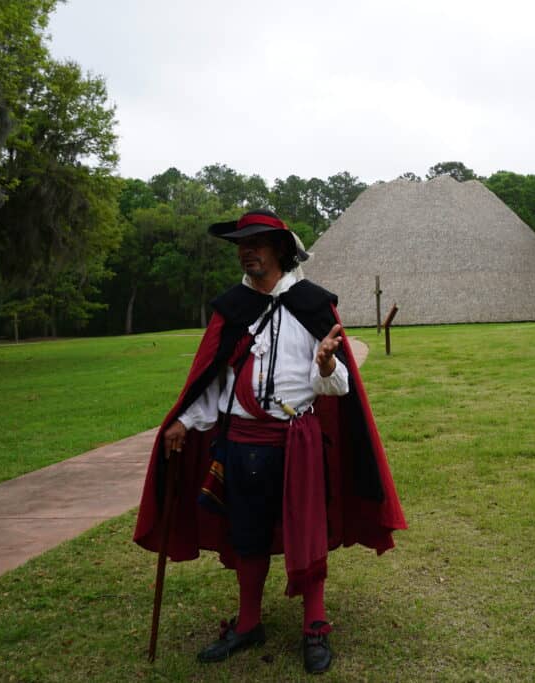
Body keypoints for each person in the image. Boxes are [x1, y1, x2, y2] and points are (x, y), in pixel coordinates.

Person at [134, 209, 406, 674]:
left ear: (280, 250)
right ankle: (248, 623)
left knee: (307, 532)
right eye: (242, 244)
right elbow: (214, 381)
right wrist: (186, 419)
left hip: (295, 442)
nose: (247, 251)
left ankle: (315, 626)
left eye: (257, 242)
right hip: (239, 443)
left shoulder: (312, 305)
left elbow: (338, 385)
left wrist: (323, 365)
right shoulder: (232, 310)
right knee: (246, 535)